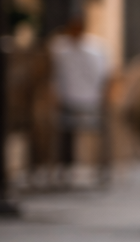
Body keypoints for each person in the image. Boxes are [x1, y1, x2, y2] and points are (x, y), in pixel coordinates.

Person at [48, 18, 111, 183]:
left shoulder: (96, 49)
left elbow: (105, 77)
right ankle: (64, 167)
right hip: (68, 100)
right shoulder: (60, 49)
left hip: (90, 100)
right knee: (64, 135)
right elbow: (55, 75)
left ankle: (101, 168)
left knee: (97, 132)